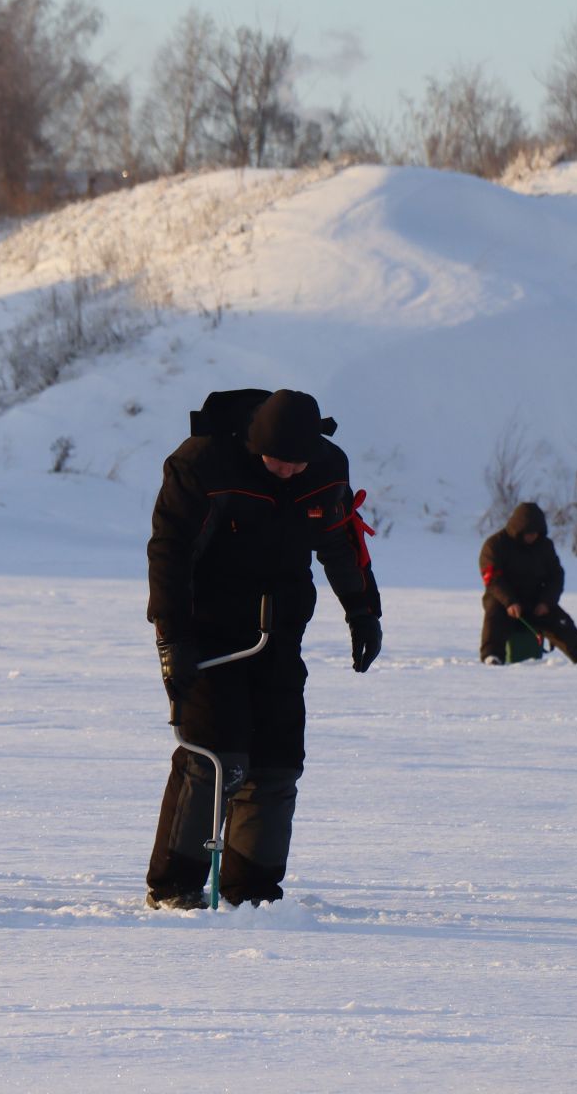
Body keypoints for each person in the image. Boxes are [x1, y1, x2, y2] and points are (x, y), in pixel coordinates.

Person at [145, 388, 382, 909]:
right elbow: (169, 552)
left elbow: (342, 542)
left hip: (279, 636)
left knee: (277, 763)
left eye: (300, 464)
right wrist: (172, 640)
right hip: (207, 636)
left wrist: (363, 610)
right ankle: (174, 888)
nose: (290, 473)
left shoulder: (325, 469)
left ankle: (253, 894)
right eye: (280, 462)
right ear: (256, 446)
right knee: (212, 757)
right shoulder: (203, 464)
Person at [478, 502, 577, 666]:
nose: (532, 537)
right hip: (503, 602)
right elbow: (492, 579)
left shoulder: (544, 546)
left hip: (535, 602)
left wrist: (546, 601)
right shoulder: (495, 545)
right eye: (528, 533)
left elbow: (556, 576)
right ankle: (492, 657)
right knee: (495, 617)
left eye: (535, 533)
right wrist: (510, 601)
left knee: (562, 622)